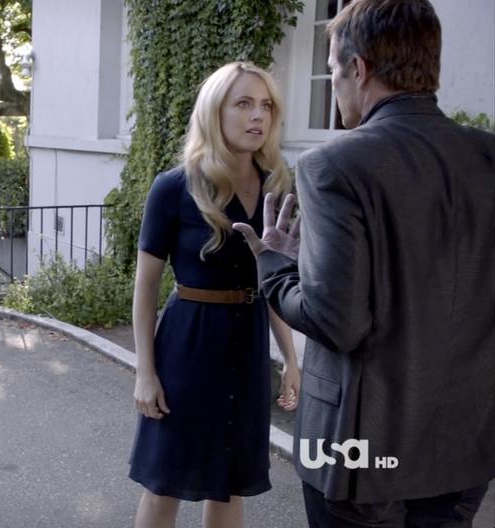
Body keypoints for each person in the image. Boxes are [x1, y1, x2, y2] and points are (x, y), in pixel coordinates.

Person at [232, 1, 495, 526]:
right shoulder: (487, 157)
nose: (332, 82)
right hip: (465, 443)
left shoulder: (336, 165)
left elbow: (339, 322)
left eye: (332, 68)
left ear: (360, 69)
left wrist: (277, 267)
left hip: (360, 452)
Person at [129, 62, 300, 528]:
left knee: (229, 483)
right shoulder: (173, 187)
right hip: (187, 344)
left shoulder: (276, 188)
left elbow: (276, 281)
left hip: (247, 345)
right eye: (243, 103)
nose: (257, 116)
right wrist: (145, 371)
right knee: (166, 480)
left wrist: (290, 358)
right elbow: (145, 289)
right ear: (214, 111)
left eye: (265, 105)